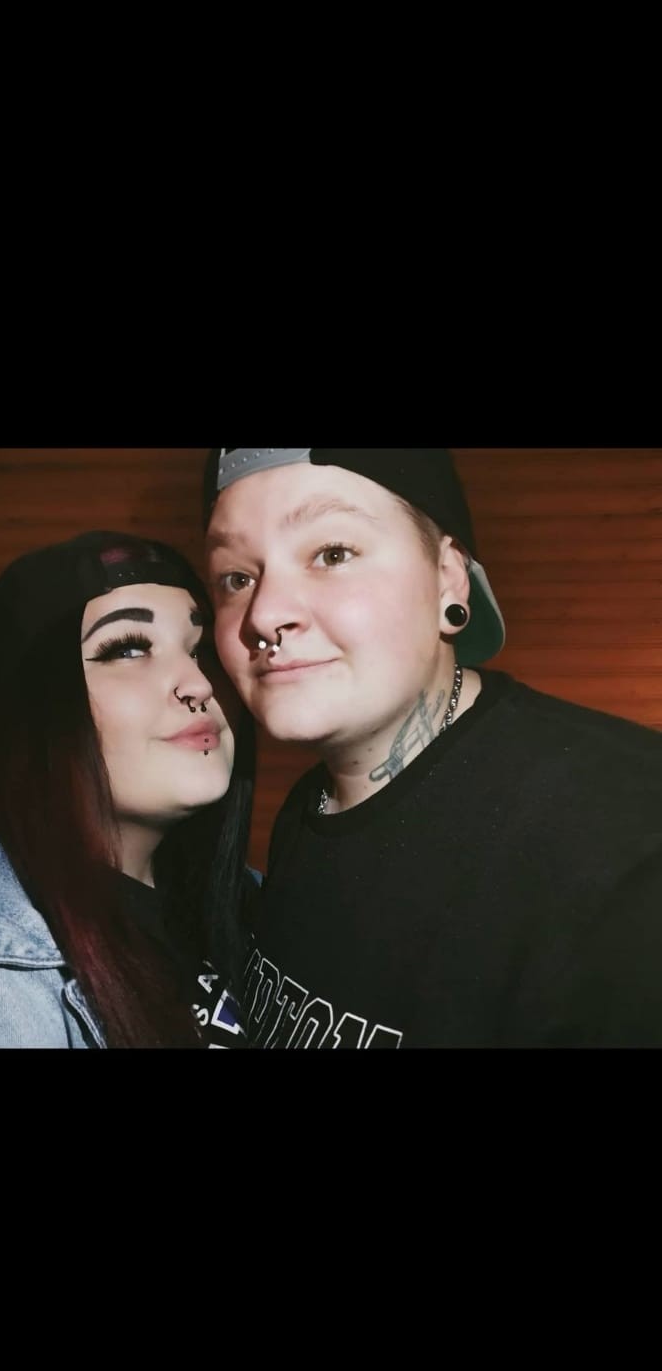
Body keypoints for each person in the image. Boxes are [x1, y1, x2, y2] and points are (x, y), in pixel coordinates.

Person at [203, 448, 662, 1048]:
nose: (264, 615)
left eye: (332, 554)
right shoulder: (307, 807)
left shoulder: (628, 843)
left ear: (448, 576)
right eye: (237, 578)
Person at [0, 531, 255, 1048]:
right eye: (129, 648)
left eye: (200, 650)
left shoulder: (242, 891)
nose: (198, 684)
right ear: (38, 710)